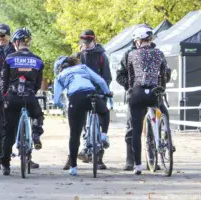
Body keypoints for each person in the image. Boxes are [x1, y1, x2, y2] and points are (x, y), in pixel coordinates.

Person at [0, 24, 39, 170]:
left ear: (9, 36)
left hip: (14, 92)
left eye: (2, 35)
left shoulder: (16, 50)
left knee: (16, 126)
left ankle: (25, 156)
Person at [116, 25, 173, 171]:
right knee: (136, 126)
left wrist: (131, 88)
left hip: (137, 91)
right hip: (154, 90)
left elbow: (129, 77)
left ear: (138, 41)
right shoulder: (158, 53)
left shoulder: (131, 54)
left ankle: (141, 164)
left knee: (136, 128)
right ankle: (130, 160)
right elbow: (165, 72)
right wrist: (161, 87)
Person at [53, 55, 112, 176]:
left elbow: (56, 100)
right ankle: (104, 135)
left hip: (75, 98)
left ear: (59, 68)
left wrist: (62, 106)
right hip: (91, 93)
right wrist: (107, 92)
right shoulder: (83, 67)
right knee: (105, 112)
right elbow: (100, 81)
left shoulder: (59, 76)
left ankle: (73, 167)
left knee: (75, 135)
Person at [63, 29, 112, 170]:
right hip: (81, 93)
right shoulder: (78, 56)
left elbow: (106, 76)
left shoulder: (101, 56)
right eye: (83, 41)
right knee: (79, 126)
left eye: (88, 41)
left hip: (98, 91)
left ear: (94, 41)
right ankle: (74, 156)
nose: (85, 44)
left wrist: (104, 91)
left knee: (101, 120)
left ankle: (99, 156)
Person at [0, 27, 44, 176]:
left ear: (16, 43)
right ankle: (36, 134)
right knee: (37, 115)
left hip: (13, 96)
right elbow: (38, 83)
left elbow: (3, 82)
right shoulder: (38, 60)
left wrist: (4, 96)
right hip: (29, 96)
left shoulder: (10, 58)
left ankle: (5, 164)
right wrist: (31, 90)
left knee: (9, 131)